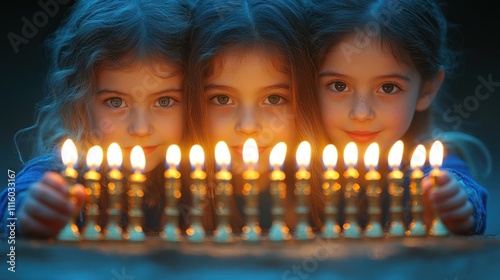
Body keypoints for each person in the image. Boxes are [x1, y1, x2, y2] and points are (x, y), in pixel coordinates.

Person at [0, 0, 191, 239]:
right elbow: (17, 197)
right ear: (80, 101)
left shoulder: (202, 175)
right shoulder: (66, 174)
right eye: (116, 102)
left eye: (164, 101)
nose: (140, 128)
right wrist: (29, 208)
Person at [309, 0, 490, 235]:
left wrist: (453, 204)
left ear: (427, 90)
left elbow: (461, 191)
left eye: (388, 88)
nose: (361, 113)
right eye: (339, 85)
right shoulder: (290, 165)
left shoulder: (429, 165)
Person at [185, 0, 327, 235]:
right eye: (222, 99)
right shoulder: (161, 206)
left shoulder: (342, 205)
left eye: (273, 99)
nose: (248, 126)